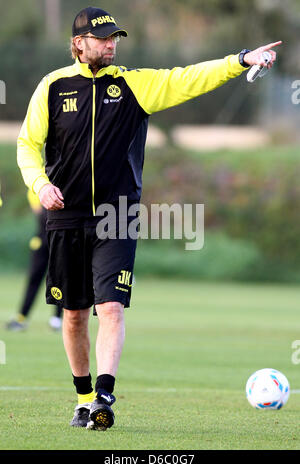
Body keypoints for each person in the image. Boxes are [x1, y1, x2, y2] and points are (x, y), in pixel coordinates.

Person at [17, 6, 281, 431]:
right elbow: (28, 144)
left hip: (116, 216)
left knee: (112, 307)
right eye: (102, 38)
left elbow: (188, 78)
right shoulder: (52, 86)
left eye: (114, 38)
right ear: (79, 43)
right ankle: (83, 397)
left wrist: (240, 60)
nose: (111, 44)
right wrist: (40, 184)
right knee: (74, 314)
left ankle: (104, 395)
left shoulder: (134, 85)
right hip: (65, 215)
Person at [5, 190, 63, 332]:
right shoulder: (36, 187)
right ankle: (22, 317)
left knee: (60, 278)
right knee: (33, 278)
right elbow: (39, 212)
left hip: (61, 239)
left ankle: (57, 318)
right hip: (42, 239)